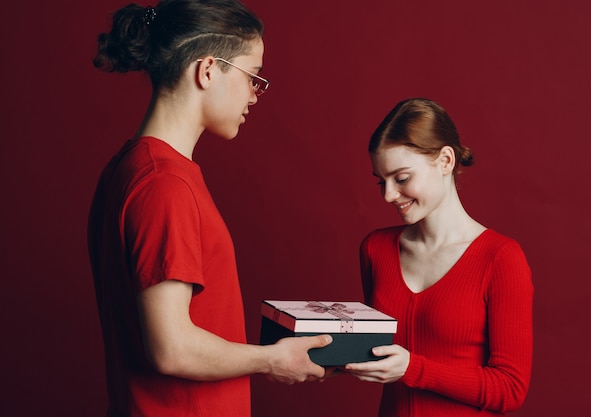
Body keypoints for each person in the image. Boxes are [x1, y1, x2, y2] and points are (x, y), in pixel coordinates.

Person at [87, 1, 332, 416]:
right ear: (207, 70)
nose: (256, 94)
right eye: (252, 76)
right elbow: (172, 348)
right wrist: (272, 359)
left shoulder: (130, 168)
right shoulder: (164, 185)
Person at [344, 98, 533, 416]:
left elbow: (510, 389)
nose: (389, 194)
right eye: (382, 181)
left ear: (445, 160)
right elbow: (376, 351)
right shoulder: (376, 249)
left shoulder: (500, 258)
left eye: (401, 179)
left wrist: (413, 369)